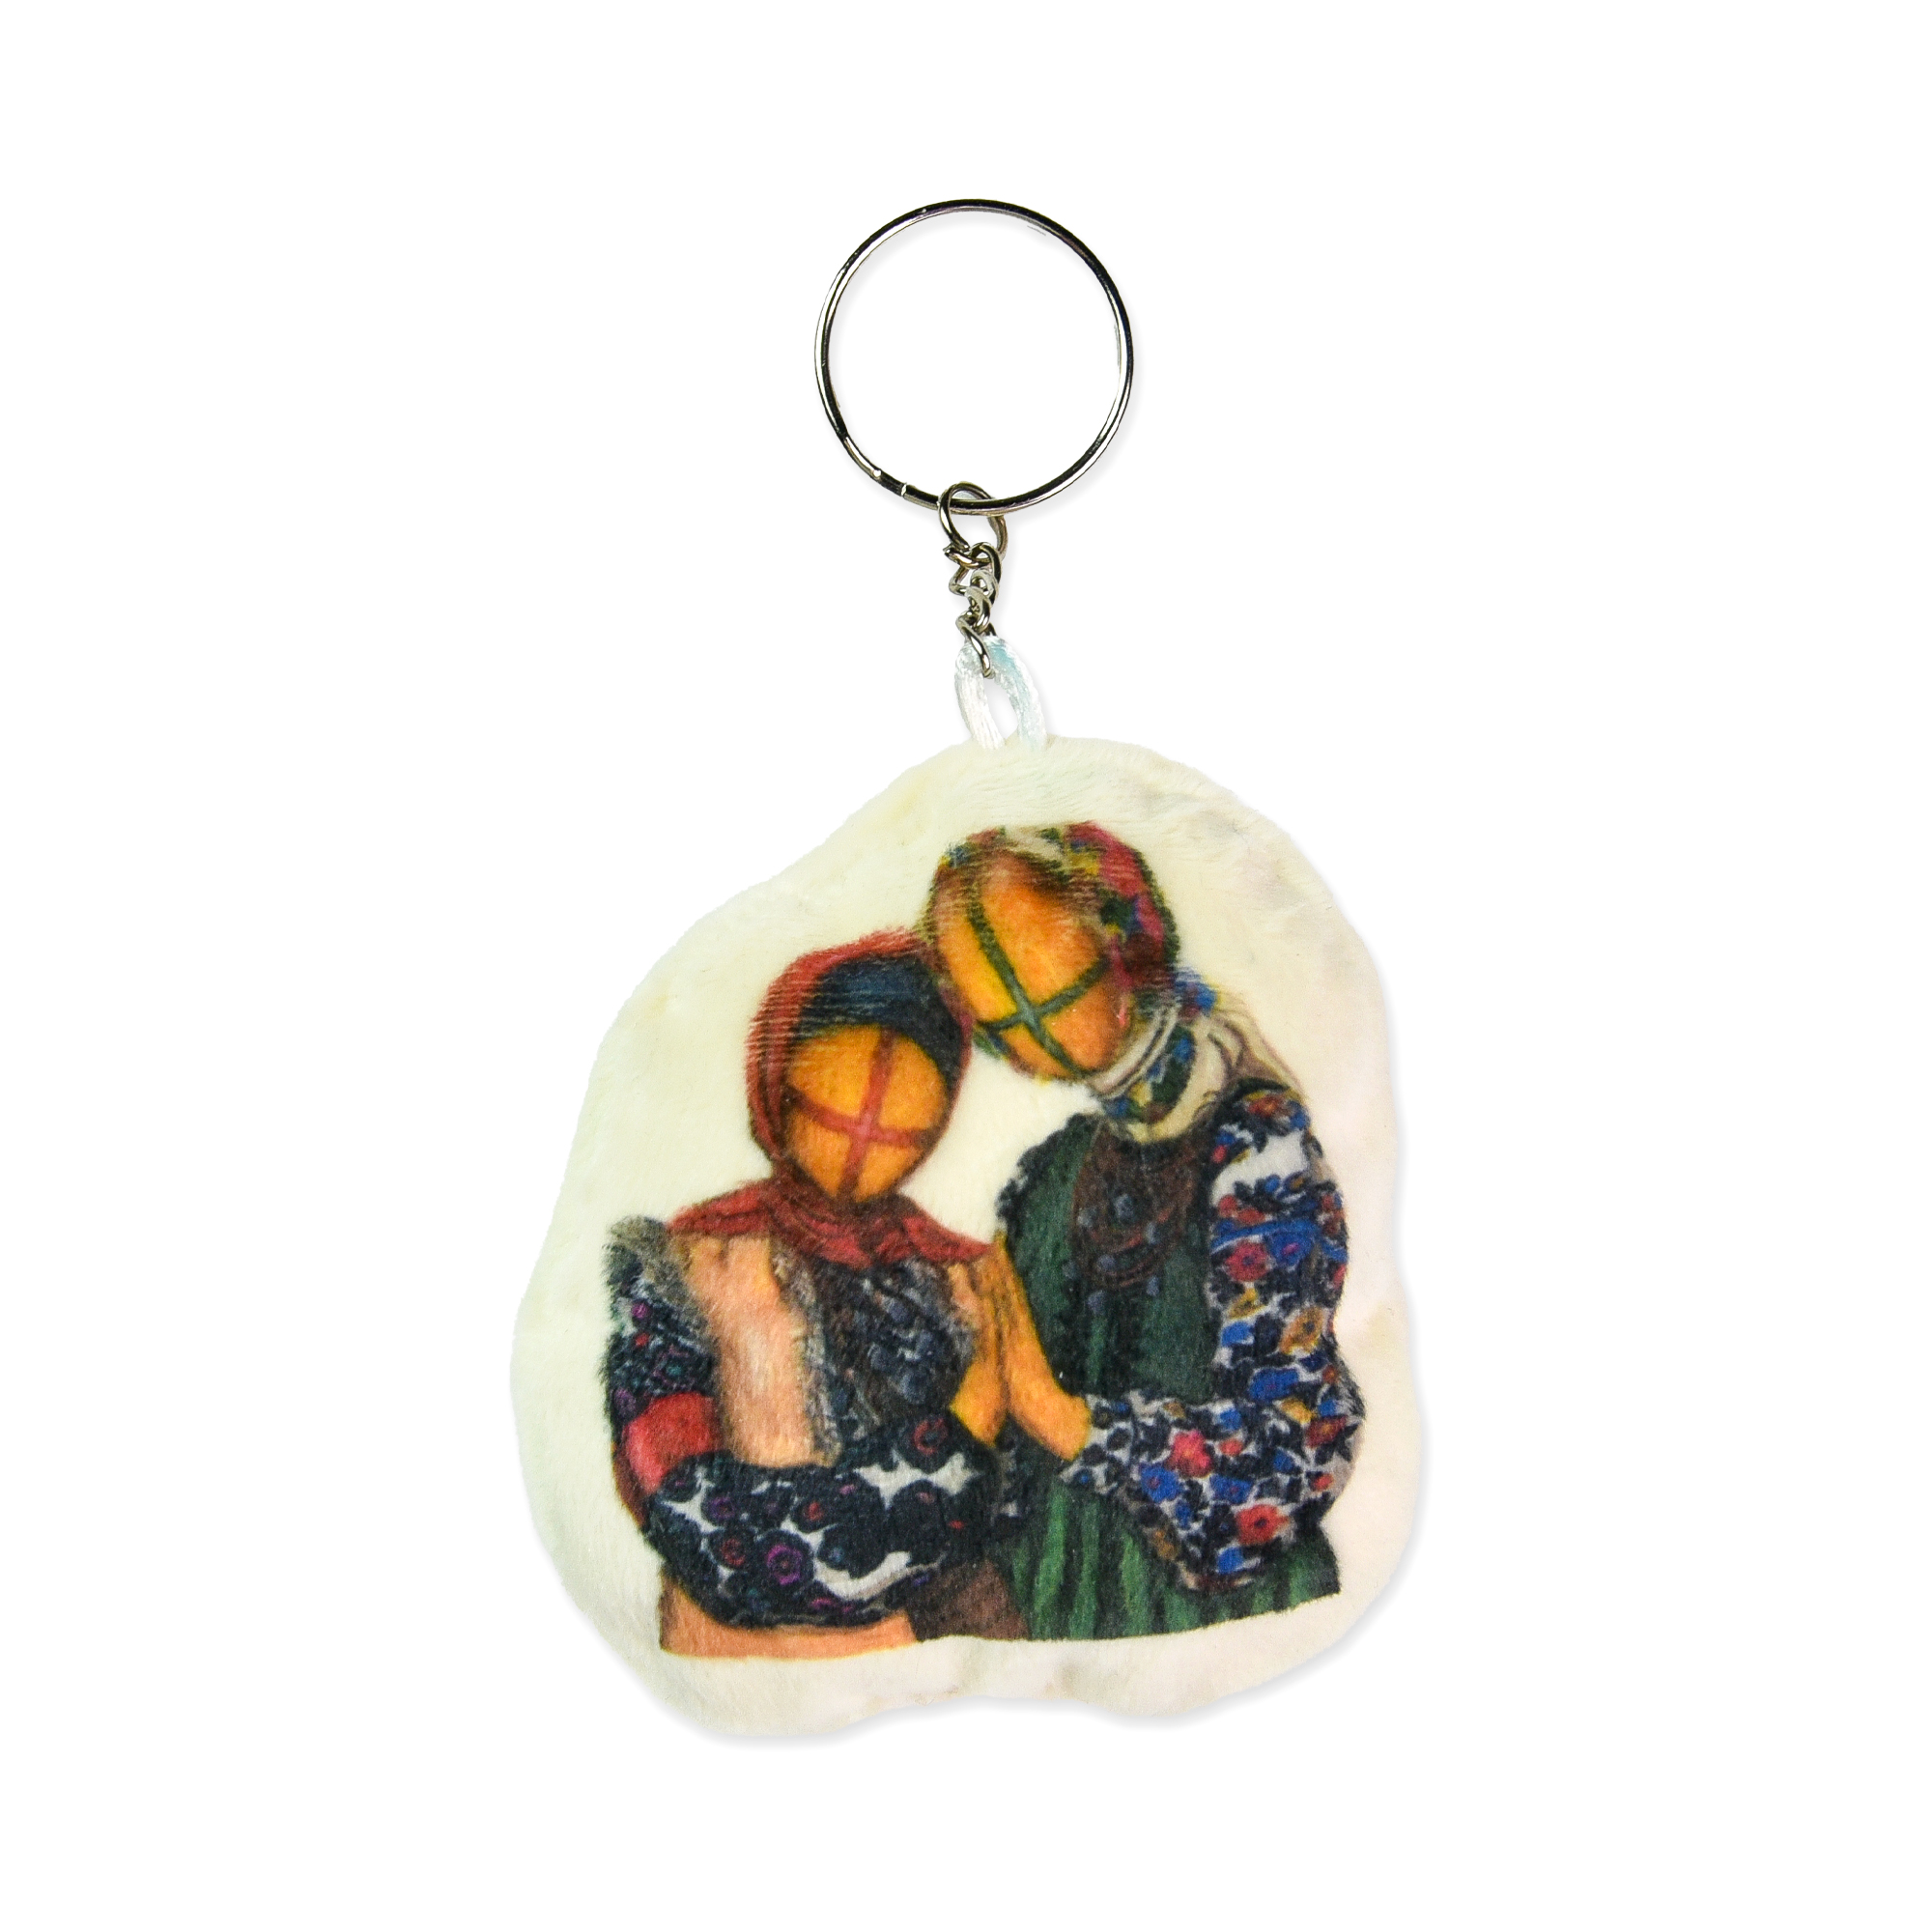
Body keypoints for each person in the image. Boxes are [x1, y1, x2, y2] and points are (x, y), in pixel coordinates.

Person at [923, 825, 1363, 1640]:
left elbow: (1300, 1446)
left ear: (1124, 949)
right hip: (1048, 1608)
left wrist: (1065, 1421)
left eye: (1051, 992)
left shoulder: (1255, 1139)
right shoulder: (1048, 1173)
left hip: (1228, 1619)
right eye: (1005, 1019)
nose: (1035, 1036)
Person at [602, 932, 1025, 1659]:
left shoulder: (966, 1276)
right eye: (835, 1110)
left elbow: (1015, 1510)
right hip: (751, 1668)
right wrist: (956, 1440)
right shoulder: (689, 1265)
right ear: (776, 1084)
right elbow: (700, 1524)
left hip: (948, 1663)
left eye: (897, 1127)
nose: (861, 1147)